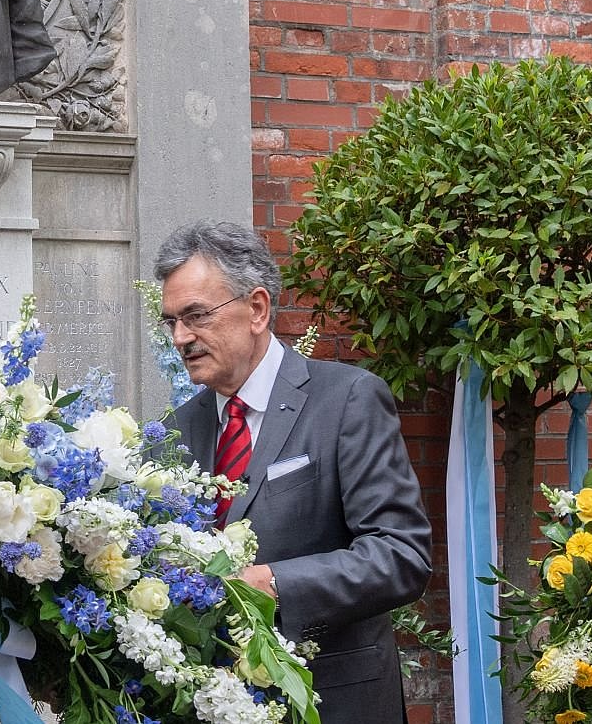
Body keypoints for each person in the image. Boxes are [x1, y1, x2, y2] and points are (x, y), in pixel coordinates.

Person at [156, 221, 432, 723]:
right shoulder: (176, 431)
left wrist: (273, 583)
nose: (181, 337)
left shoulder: (347, 400)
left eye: (195, 315)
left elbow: (401, 555)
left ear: (257, 309)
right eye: (170, 321)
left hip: (332, 701)